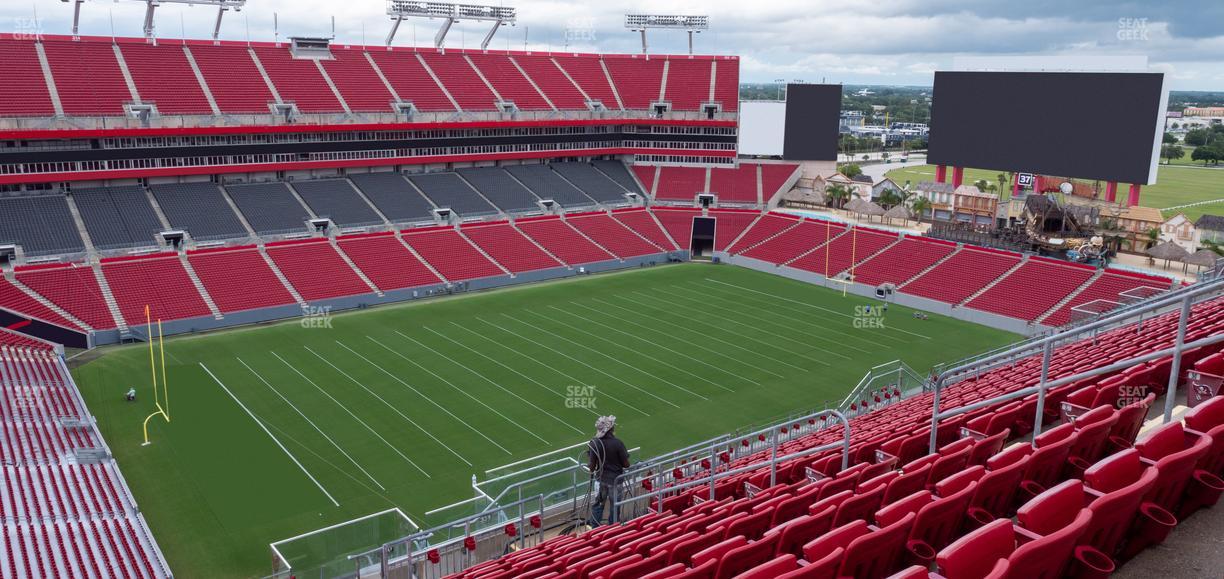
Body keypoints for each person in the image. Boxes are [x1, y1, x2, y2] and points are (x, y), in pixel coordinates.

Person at [587, 415, 630, 527]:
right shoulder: (618, 443)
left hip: (600, 480)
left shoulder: (594, 443)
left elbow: (591, 467)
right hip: (615, 481)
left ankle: (594, 528)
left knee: (598, 505)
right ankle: (613, 529)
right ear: (610, 429)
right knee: (615, 506)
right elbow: (626, 464)